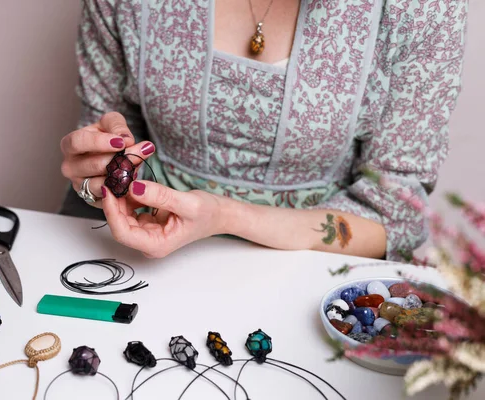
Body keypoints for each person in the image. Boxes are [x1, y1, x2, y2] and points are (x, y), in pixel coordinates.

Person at [60, 0, 468, 260]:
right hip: (139, 252)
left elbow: (395, 216)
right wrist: (100, 172)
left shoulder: (423, 10)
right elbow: (107, 132)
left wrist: (226, 216)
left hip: (314, 273)